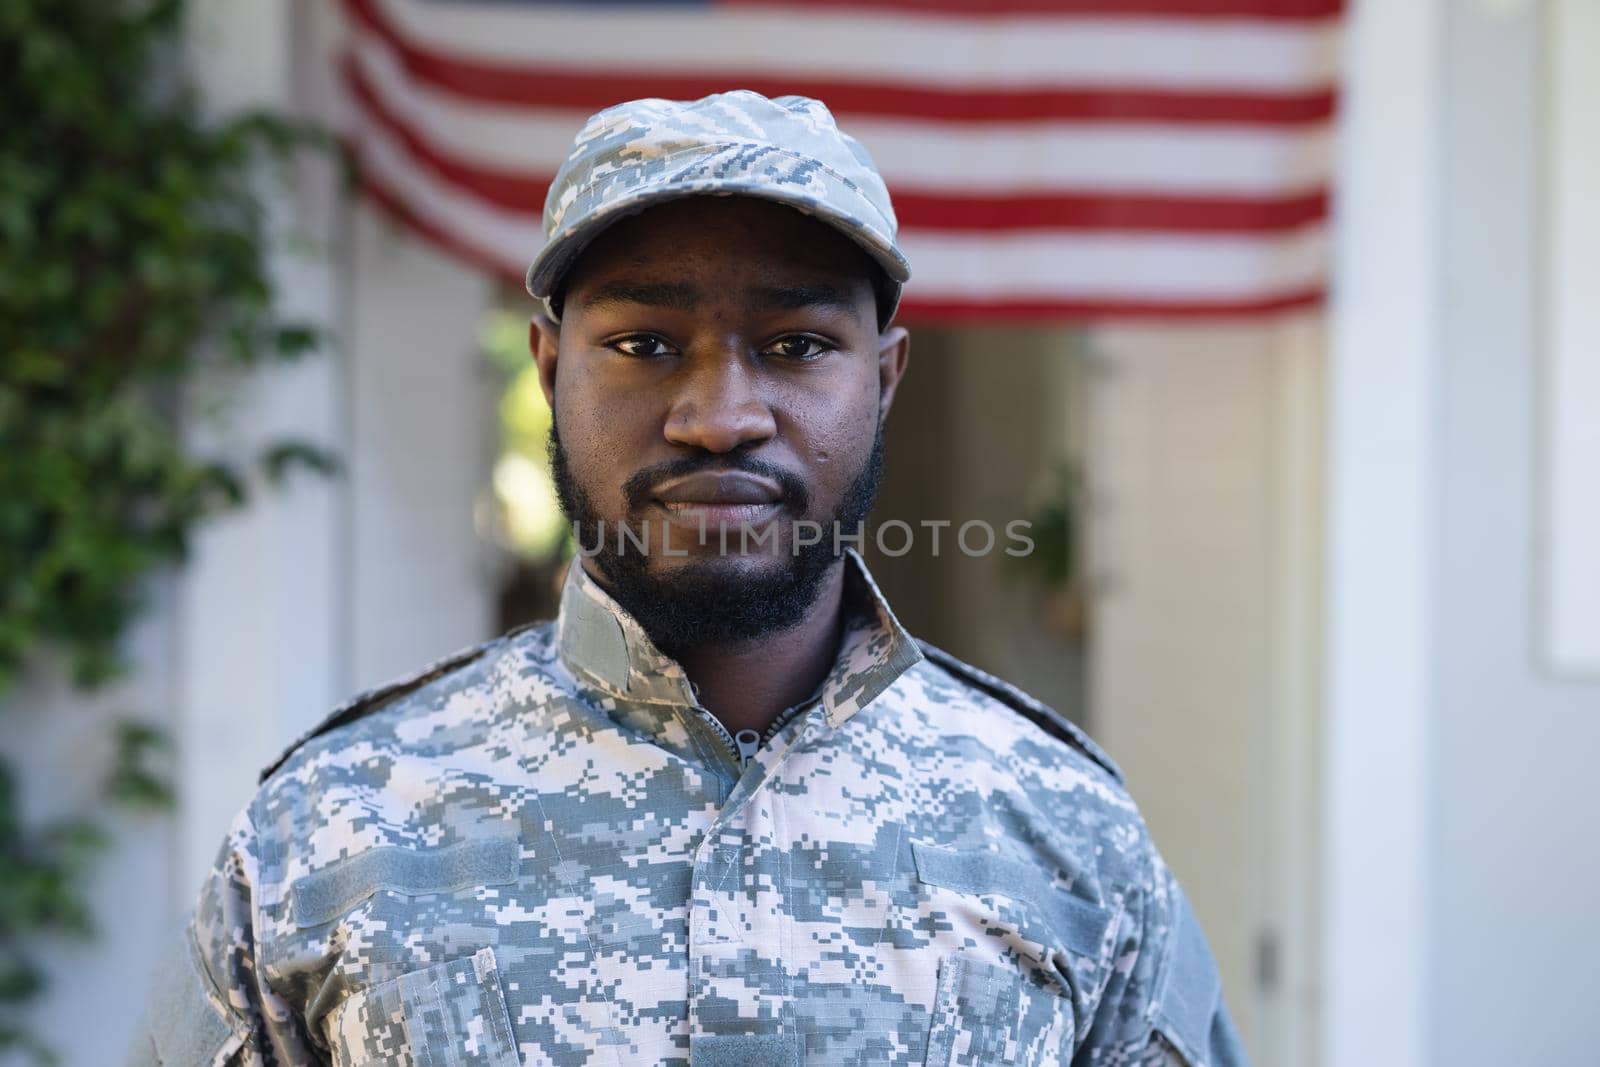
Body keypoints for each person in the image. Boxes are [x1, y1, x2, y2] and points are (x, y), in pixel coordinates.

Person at [129, 89, 1247, 1067]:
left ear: (886, 379)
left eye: (798, 344)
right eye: (643, 343)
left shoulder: (1063, 830)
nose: (720, 418)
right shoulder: (328, 827)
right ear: (550, 368)